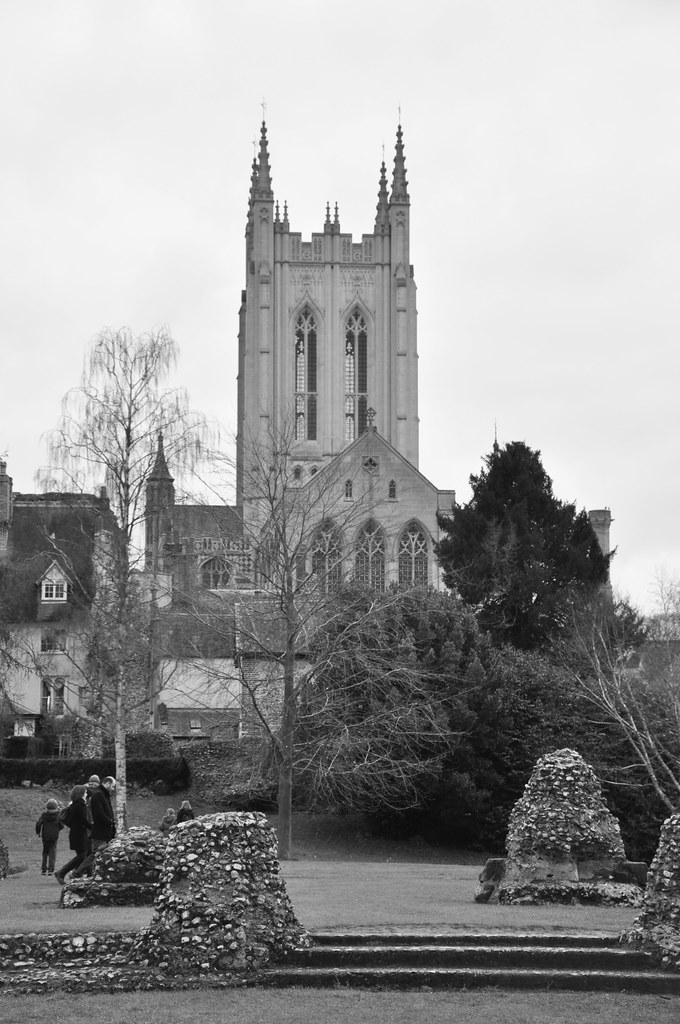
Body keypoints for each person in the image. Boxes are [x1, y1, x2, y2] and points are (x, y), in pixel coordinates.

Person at [71, 775, 116, 880]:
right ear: (107, 784)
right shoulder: (98, 795)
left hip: (104, 831)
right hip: (101, 832)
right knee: (96, 854)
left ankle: (89, 874)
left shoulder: (102, 794)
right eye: (113, 786)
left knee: (98, 854)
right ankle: (77, 873)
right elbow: (99, 813)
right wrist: (110, 821)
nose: (113, 789)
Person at [53, 785, 91, 884]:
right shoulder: (80, 805)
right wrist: (92, 827)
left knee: (83, 855)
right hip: (79, 834)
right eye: (85, 793)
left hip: (76, 833)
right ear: (81, 794)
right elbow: (83, 820)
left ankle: (72, 874)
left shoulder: (74, 805)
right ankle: (65, 873)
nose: (86, 794)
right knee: (82, 856)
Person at [35, 798, 63, 875]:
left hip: (45, 835)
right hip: (54, 835)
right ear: (56, 807)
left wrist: (38, 832)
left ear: (47, 807)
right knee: (52, 852)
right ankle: (51, 869)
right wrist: (57, 829)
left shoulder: (44, 815)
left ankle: (43, 869)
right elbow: (61, 825)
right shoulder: (58, 815)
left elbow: (38, 823)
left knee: (45, 851)